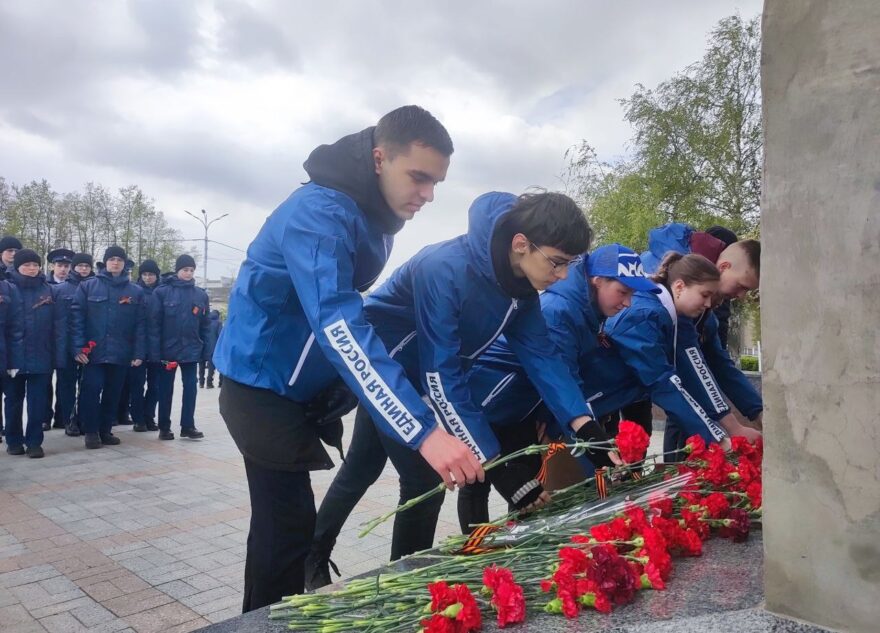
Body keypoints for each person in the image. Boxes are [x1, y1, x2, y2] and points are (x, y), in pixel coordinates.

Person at [213, 105, 480, 612]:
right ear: (379, 158)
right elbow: (337, 321)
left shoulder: (371, 212)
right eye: (419, 177)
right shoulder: (321, 212)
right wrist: (422, 430)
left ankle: (268, 618)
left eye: (436, 184)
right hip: (258, 382)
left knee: (282, 530)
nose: (427, 195)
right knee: (286, 529)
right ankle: (265, 623)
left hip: (297, 390)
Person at [307, 190, 609, 588]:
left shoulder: (520, 290)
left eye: (570, 265)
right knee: (424, 479)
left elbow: (544, 359)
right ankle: (405, 585)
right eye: (557, 263)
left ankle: (312, 556)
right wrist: (498, 468)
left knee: (361, 468)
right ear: (521, 245)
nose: (563, 276)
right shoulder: (445, 267)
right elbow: (441, 373)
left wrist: (586, 428)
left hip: (424, 378)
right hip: (388, 373)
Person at [456, 244, 659, 531]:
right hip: (494, 401)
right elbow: (560, 377)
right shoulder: (559, 311)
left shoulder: (586, 310)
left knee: (528, 487)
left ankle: (515, 547)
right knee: (479, 482)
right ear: (597, 280)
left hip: (525, 406)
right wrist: (592, 444)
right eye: (623, 292)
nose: (627, 303)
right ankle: (473, 554)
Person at [639, 223, 763, 452]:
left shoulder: (701, 302)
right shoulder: (679, 293)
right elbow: (688, 362)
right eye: (741, 286)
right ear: (723, 267)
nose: (742, 296)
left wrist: (758, 411)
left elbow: (718, 361)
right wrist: (732, 428)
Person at [71, 246, 147, 449]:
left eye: (119, 259)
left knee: (114, 393)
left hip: (121, 353)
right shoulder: (88, 287)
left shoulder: (135, 292)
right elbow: (77, 319)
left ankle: (105, 430)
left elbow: (140, 325)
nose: (115, 262)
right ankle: (91, 431)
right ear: (105, 262)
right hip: (93, 353)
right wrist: (78, 347)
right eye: (111, 259)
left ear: (125, 263)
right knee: (91, 391)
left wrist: (139, 352)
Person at [150, 255, 210, 441]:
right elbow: (154, 324)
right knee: (165, 389)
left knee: (191, 387)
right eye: (185, 270)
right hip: (168, 350)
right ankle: (164, 427)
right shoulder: (162, 292)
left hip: (191, 350)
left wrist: (206, 351)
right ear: (177, 270)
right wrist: (155, 352)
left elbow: (205, 326)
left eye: (191, 270)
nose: (188, 273)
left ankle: (187, 426)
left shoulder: (200, 295)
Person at [4, 250, 58, 458]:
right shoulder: (7, 289)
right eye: (27, 264)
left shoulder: (48, 290)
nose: (32, 268)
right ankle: (14, 440)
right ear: (17, 267)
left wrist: (55, 355)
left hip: (41, 356)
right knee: (13, 401)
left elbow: (57, 326)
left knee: (38, 402)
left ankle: (35, 441)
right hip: (13, 358)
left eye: (35, 264)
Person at [53, 252, 94, 437]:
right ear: (73, 268)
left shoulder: (96, 288)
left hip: (90, 345)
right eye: (80, 266)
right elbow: (58, 321)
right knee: (67, 385)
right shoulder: (60, 290)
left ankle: (84, 418)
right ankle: (69, 419)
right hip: (66, 345)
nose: (84, 269)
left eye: (87, 266)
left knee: (87, 385)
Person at [43, 248, 75, 431]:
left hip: (66, 341)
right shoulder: (43, 284)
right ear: (52, 266)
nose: (63, 269)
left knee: (66, 381)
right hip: (46, 341)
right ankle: (44, 417)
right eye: (59, 265)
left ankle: (62, 417)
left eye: (66, 266)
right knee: (45, 381)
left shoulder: (76, 286)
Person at [131, 259, 161, 433]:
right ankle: (138, 418)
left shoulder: (162, 292)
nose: (148, 277)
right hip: (138, 347)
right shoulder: (135, 292)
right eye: (145, 274)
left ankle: (150, 416)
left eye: (151, 274)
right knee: (137, 385)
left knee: (155, 385)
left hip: (157, 347)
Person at [0, 235, 22, 440]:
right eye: (9, 251)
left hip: (13, 344)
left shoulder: (20, 276)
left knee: (13, 394)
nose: (13, 255)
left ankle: (12, 432)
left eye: (16, 251)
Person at [198, 309, 222, 389]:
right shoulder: (218, 323)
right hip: (213, 348)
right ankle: (209, 383)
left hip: (202, 347)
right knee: (211, 366)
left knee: (201, 365)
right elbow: (220, 336)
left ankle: (201, 382)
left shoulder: (203, 322)